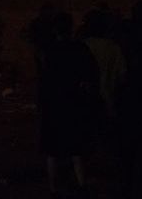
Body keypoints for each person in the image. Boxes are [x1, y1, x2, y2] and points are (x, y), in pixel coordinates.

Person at [38, 12, 100, 199]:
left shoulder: (49, 51)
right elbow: (91, 74)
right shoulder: (79, 49)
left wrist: (42, 105)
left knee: (53, 151)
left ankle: (53, 189)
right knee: (76, 149)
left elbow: (44, 82)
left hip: (53, 105)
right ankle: (81, 185)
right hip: (74, 104)